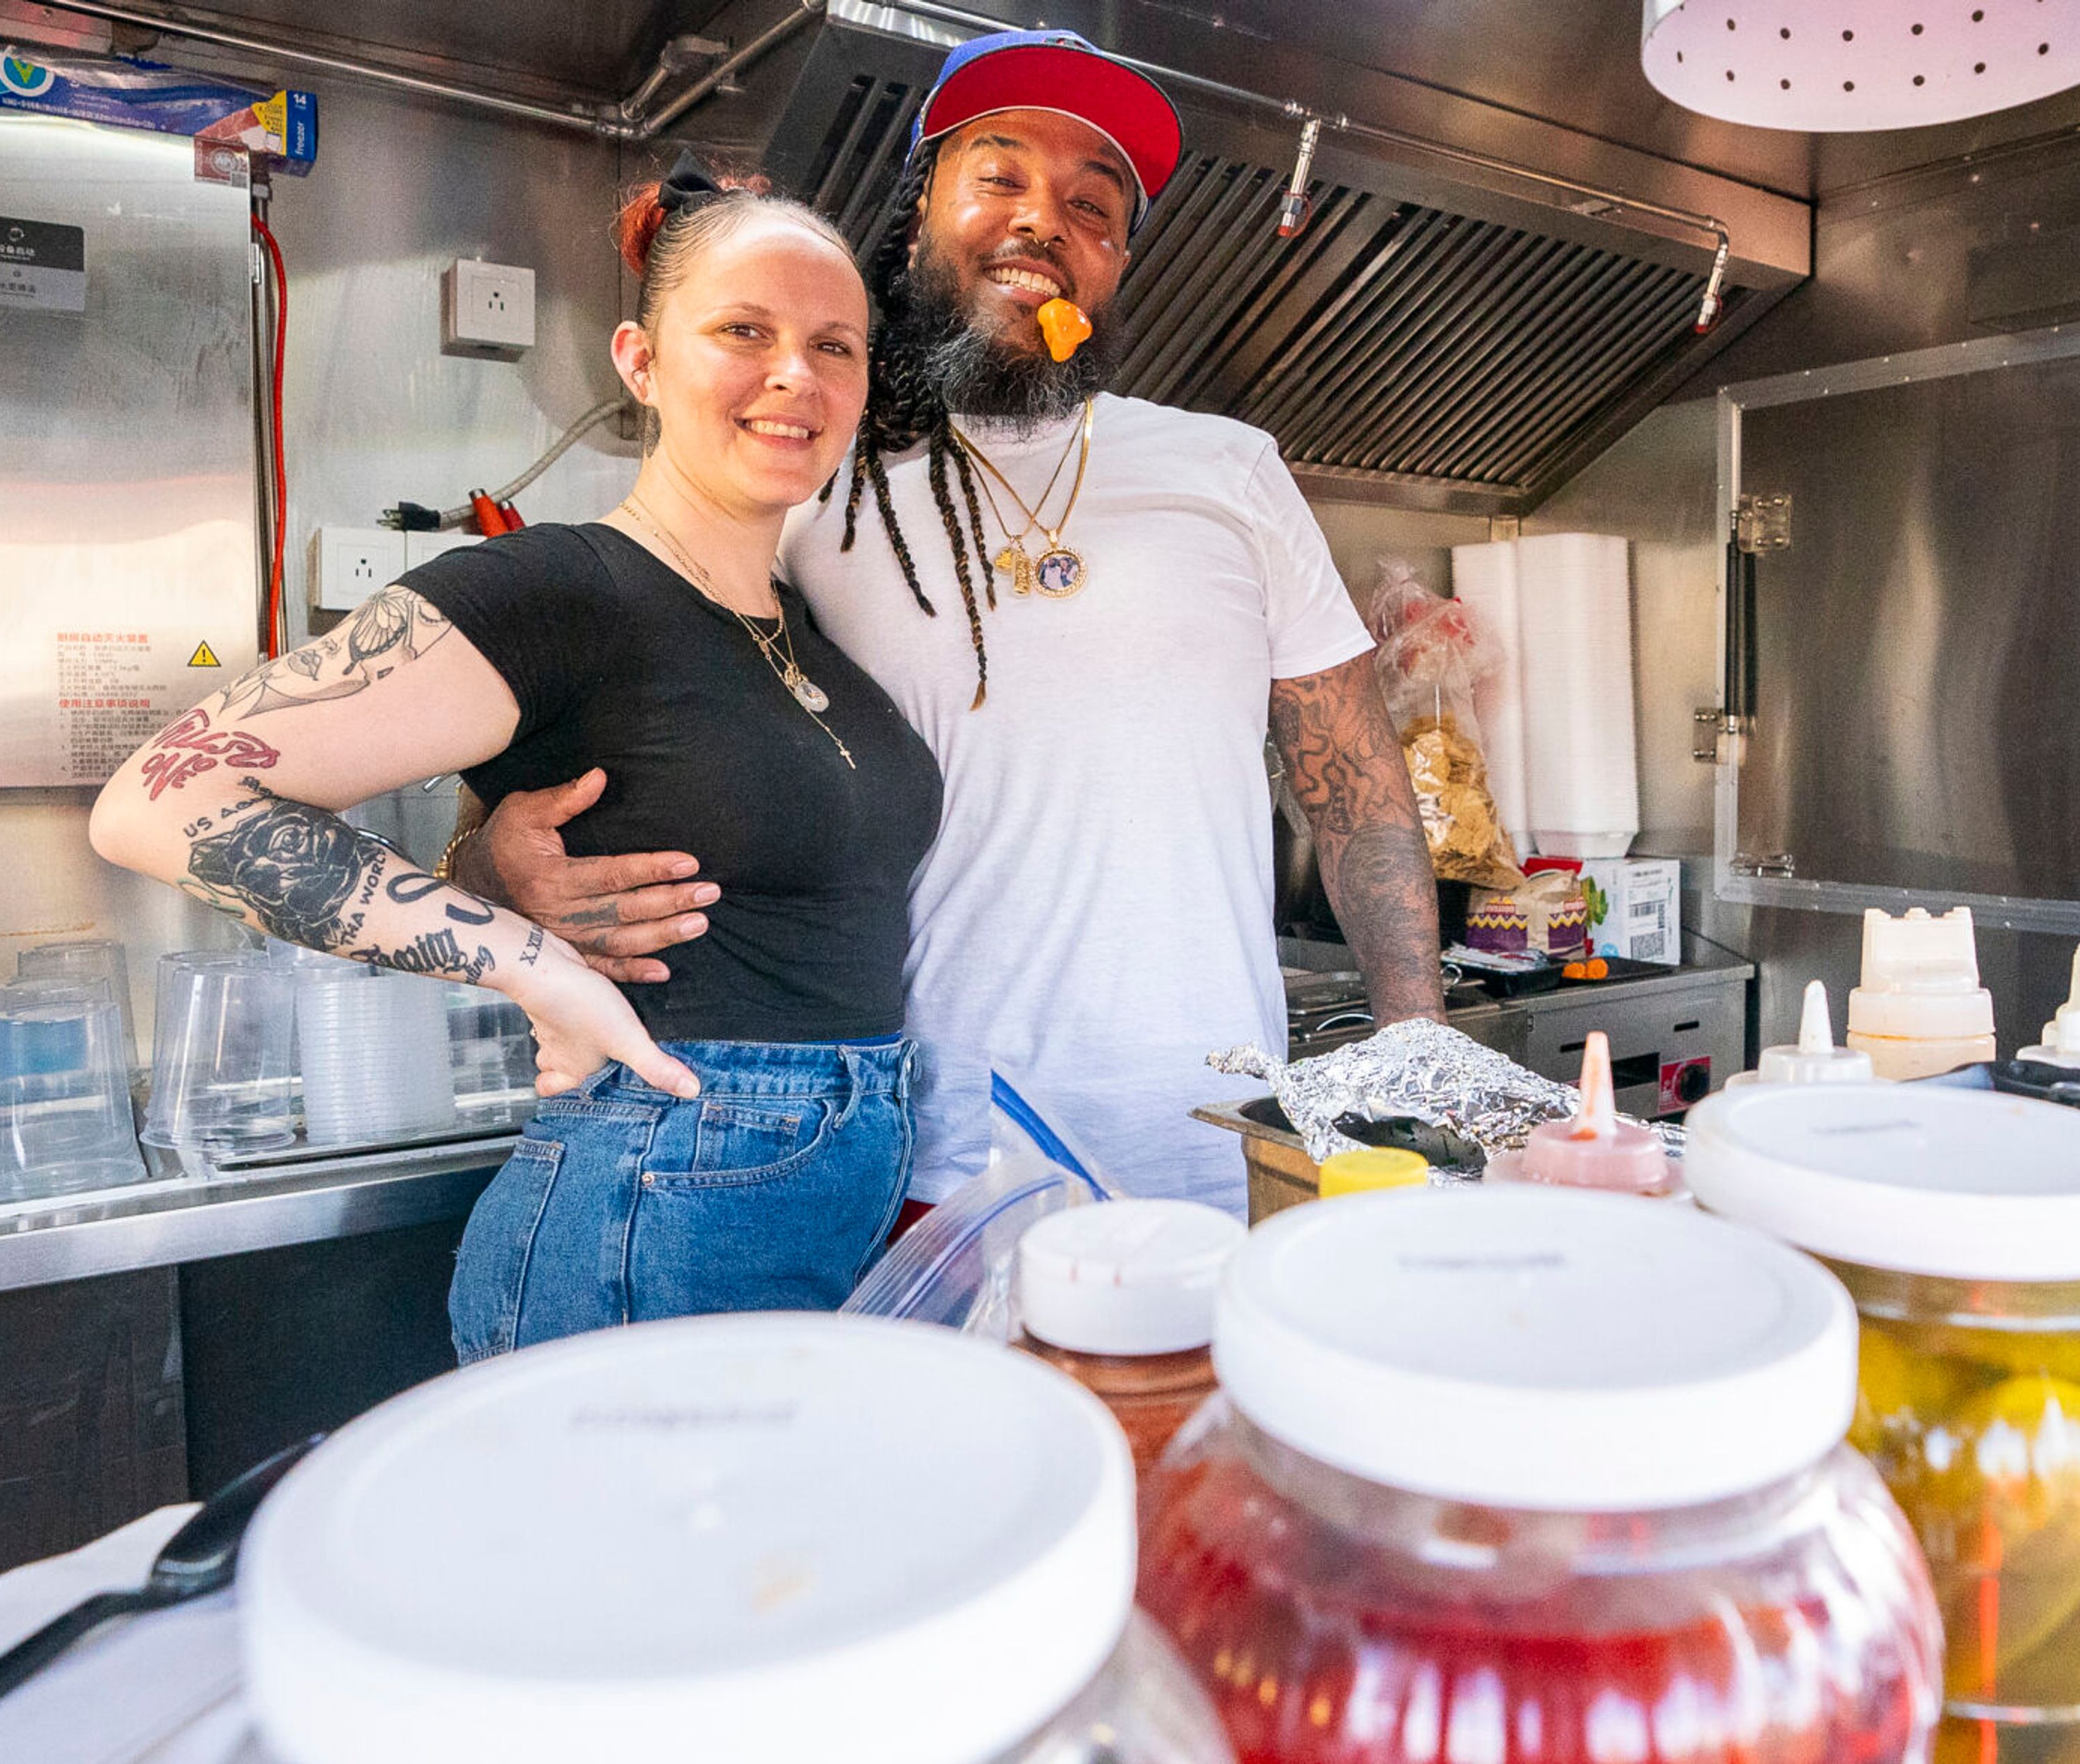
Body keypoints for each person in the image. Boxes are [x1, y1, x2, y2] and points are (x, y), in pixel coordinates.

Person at [458, 31, 1443, 1215]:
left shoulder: (1229, 473)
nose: (1045, 222)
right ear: (924, 206)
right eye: (1001, 174)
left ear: (1119, 260)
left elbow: (1361, 797)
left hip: (1214, 1150)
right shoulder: (806, 477)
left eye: (1094, 205)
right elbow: (564, 766)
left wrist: (1414, 1049)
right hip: (917, 1156)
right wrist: (500, 866)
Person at [90, 157, 941, 1359]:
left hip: (834, 1179)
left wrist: (489, 864)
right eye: (744, 331)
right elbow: (159, 801)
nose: (794, 374)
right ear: (642, 362)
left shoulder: (807, 620)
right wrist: (533, 964)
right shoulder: (563, 588)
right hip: (659, 1200)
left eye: (835, 345)